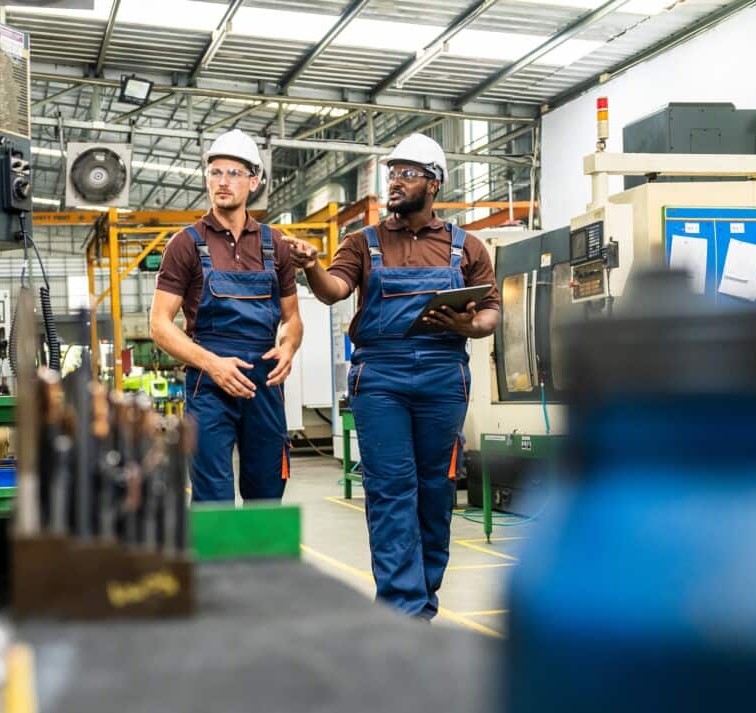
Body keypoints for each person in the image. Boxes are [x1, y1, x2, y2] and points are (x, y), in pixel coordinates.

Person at [288, 133, 500, 620]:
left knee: (435, 490)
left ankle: (422, 602)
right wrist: (313, 266)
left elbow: (490, 314)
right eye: (392, 173)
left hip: (444, 376)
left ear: (434, 183)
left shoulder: (466, 246)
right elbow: (333, 291)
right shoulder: (363, 242)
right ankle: (399, 611)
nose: (396, 182)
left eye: (407, 173)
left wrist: (467, 325)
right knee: (390, 492)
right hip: (380, 376)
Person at [150, 129, 302, 503]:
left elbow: (292, 317)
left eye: (233, 173)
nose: (222, 181)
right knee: (212, 497)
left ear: (254, 180)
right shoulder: (186, 244)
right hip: (209, 384)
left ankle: (262, 563)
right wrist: (212, 364)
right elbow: (159, 324)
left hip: (264, 382)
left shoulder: (275, 244)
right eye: (215, 172)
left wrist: (289, 347)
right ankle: (216, 565)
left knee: (266, 493)